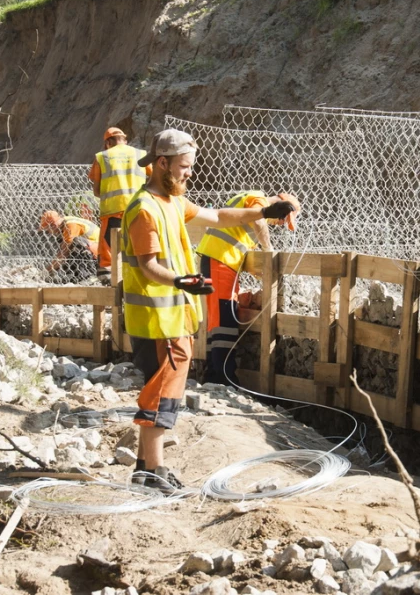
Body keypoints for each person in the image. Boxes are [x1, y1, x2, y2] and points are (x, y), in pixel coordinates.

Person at [123, 129, 296, 494]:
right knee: (162, 393)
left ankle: (144, 468)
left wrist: (264, 211)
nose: (189, 173)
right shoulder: (145, 209)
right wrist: (182, 282)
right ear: (163, 163)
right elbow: (147, 265)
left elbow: (218, 216)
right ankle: (154, 472)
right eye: (184, 167)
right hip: (158, 320)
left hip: (171, 316)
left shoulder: (171, 202)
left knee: (161, 388)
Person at [195, 190, 301, 387]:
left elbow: (240, 237)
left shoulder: (244, 200)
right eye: (282, 220)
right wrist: (268, 252)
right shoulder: (258, 199)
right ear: (279, 208)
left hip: (220, 261)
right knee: (225, 321)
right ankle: (223, 379)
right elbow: (259, 220)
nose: (279, 225)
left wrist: (256, 270)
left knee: (218, 320)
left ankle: (213, 376)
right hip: (220, 262)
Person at [89, 127, 150, 283]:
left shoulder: (102, 157)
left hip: (113, 211)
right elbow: (154, 178)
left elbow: (96, 191)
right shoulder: (140, 154)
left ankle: (110, 285)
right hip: (139, 209)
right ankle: (140, 277)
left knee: (108, 253)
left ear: (108, 142)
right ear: (125, 140)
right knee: (139, 246)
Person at [38, 211, 100, 283]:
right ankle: (76, 275)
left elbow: (64, 254)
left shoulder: (70, 225)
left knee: (76, 243)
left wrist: (48, 270)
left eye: (48, 229)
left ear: (53, 225)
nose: (49, 232)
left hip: (99, 252)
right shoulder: (64, 222)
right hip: (93, 249)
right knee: (66, 244)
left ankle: (89, 276)